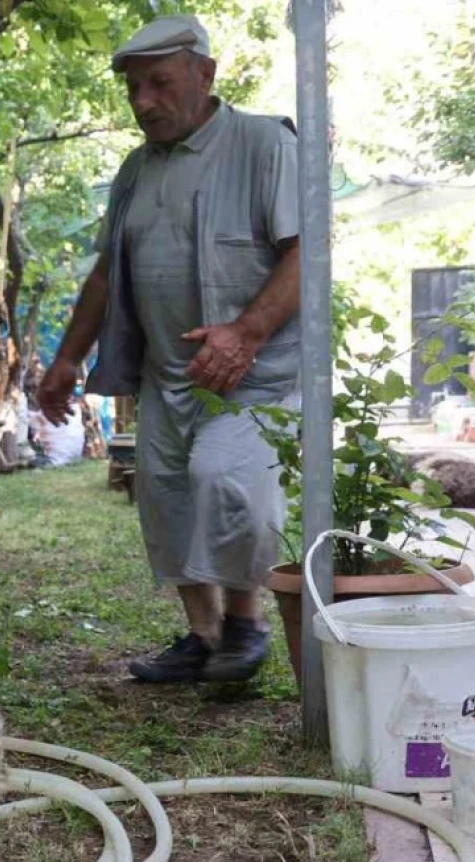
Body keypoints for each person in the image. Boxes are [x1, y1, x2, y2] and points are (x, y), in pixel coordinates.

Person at [36, 14, 302, 685]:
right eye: (132, 88)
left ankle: (246, 624)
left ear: (205, 75)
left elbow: (310, 254)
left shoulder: (263, 143)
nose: (142, 101)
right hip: (167, 373)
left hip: (257, 373)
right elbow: (105, 274)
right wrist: (68, 358)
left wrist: (245, 333)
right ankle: (203, 635)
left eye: (158, 83)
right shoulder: (135, 169)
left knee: (227, 481)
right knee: (166, 497)